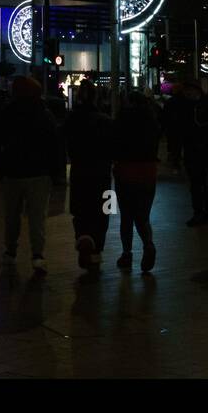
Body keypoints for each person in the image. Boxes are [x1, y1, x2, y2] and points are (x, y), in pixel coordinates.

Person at [0, 75, 59, 273]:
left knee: (12, 216)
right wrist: (54, 172)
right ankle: (37, 255)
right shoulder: (44, 114)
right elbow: (54, 145)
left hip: (12, 173)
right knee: (37, 218)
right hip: (39, 174)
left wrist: (0, 170)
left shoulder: (6, 113)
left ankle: (11, 251)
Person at [62, 79, 114, 271]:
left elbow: (64, 142)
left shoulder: (72, 119)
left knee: (80, 211)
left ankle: (83, 236)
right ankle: (97, 248)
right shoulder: (105, 121)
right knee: (105, 211)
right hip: (103, 173)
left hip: (79, 172)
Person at [114, 90, 160, 273]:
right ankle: (148, 244)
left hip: (125, 170)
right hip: (148, 171)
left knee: (126, 216)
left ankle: (127, 253)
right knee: (142, 215)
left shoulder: (122, 118)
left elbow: (115, 142)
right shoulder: (151, 120)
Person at [185, 87, 208, 226]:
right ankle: (205, 213)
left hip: (199, 153)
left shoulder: (195, 108)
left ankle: (200, 212)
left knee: (198, 185)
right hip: (206, 152)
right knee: (205, 185)